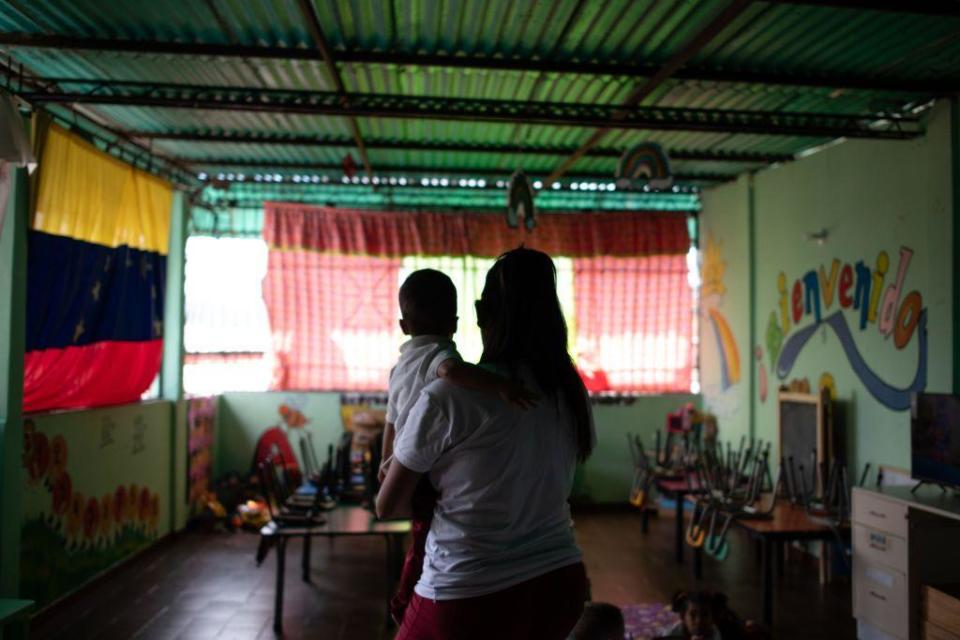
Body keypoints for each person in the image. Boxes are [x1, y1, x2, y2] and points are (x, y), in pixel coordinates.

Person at [377, 247, 595, 640]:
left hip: (466, 592)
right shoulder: (569, 391)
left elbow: (388, 504)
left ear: (480, 314)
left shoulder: (447, 397)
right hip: (560, 584)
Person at [380, 268, 537, 624]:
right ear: (454, 323)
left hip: (402, 463)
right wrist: (501, 386)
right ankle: (404, 599)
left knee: (419, 535)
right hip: (421, 469)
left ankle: (404, 596)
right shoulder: (437, 353)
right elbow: (452, 372)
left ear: (404, 326)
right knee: (423, 539)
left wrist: (385, 461)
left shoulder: (399, 366)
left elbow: (390, 419)